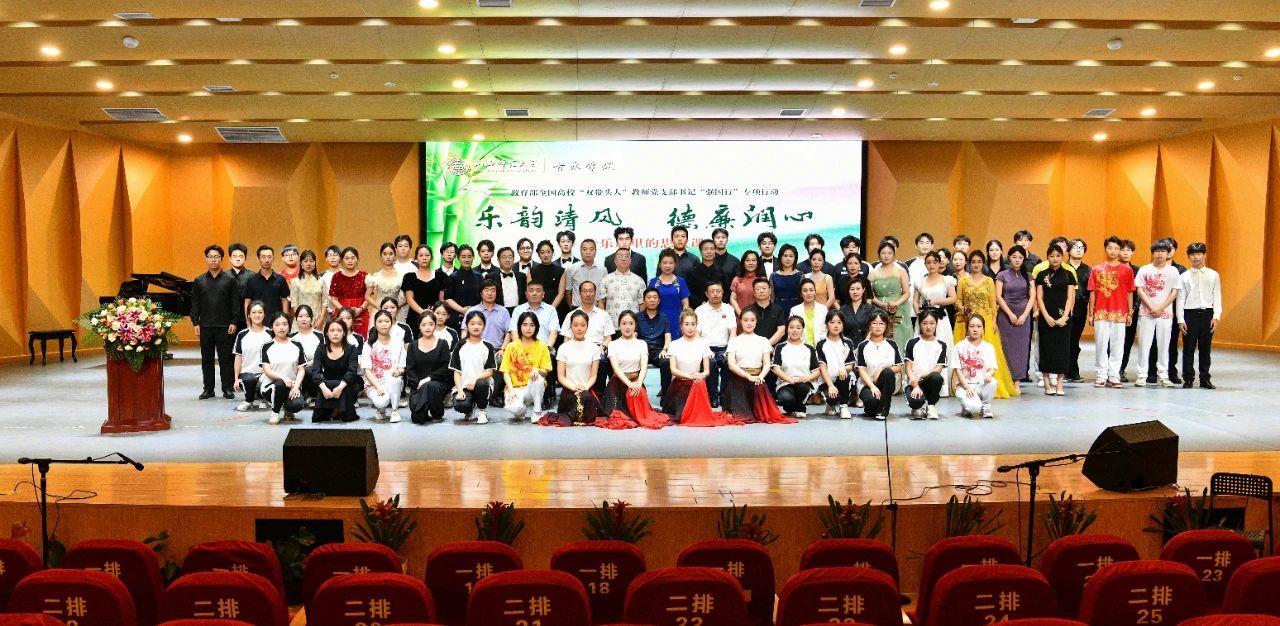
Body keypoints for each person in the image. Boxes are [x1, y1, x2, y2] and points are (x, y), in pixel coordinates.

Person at [955, 250, 1018, 398]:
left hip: (986, 322)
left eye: (979, 262)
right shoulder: (963, 280)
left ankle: (988, 385)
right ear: (969, 264)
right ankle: (967, 384)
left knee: (987, 354)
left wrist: (994, 322)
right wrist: (963, 308)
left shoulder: (989, 281)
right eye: (973, 262)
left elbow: (993, 304)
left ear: (983, 263)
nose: (976, 265)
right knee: (966, 354)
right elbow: (958, 301)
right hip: (968, 321)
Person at [666, 310, 743, 426]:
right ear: (681, 326)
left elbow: (707, 370)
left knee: (698, 416)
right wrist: (690, 377)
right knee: (681, 417)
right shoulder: (674, 344)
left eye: (693, 324)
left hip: (697, 384)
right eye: (686, 324)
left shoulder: (702, 344)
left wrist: (701, 375)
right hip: (680, 385)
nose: (690, 328)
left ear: (696, 325)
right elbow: (673, 370)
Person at [599, 311, 671, 429]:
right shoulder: (613, 344)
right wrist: (629, 384)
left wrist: (638, 383)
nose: (627, 327)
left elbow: (644, 367)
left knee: (641, 415)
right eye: (624, 323)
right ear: (619, 325)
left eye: (631, 323)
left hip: (636, 383)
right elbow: (616, 369)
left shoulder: (641, 344)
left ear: (635, 325)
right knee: (617, 418)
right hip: (618, 385)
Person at [724, 309, 794, 424]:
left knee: (763, 415)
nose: (749, 323)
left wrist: (760, 377)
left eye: (752, 320)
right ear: (740, 321)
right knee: (740, 416)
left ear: (756, 322)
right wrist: (748, 376)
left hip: (757, 379)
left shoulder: (763, 341)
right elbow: (731, 365)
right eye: (746, 320)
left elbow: (767, 364)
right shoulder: (734, 341)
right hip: (738, 380)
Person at [192, 244, 239, 400]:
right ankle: (208, 389)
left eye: (216, 257)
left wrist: (234, 321)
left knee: (225, 359)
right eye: (210, 257)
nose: (213, 259)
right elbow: (195, 304)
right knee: (207, 359)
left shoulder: (230, 280)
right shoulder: (199, 280)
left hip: (225, 326)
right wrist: (195, 322)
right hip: (205, 325)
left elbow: (235, 303)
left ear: (221, 259)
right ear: (206, 259)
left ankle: (227, 388)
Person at [1088, 236, 1136, 388]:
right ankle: (1101, 375)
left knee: (1118, 345)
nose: (1113, 251)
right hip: (1101, 312)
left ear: (1120, 250)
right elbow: (1092, 292)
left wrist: (1129, 313)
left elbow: (1130, 292)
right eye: (1110, 248)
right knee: (1101, 344)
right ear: (1105, 249)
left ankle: (1114, 375)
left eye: (1116, 248)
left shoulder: (1127, 270)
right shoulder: (1096, 269)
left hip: (1120, 313)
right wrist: (1091, 313)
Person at [542, 310, 603, 427]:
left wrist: (585, 387)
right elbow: (561, 376)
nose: (579, 328)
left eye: (582, 325)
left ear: (587, 326)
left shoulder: (594, 348)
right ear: (570, 326)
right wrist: (573, 387)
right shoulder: (563, 348)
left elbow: (593, 375)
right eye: (575, 325)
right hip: (569, 390)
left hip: (587, 389)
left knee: (586, 398)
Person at [1134, 239, 1181, 388]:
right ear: (1152, 253)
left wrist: (1161, 308)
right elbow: (1140, 290)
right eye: (1157, 251)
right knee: (1144, 344)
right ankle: (1142, 375)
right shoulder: (1144, 269)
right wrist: (1151, 307)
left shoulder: (1173, 271)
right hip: (1146, 313)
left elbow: (1174, 292)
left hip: (1165, 313)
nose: (1160, 254)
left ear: (1168, 254)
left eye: (1163, 251)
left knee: (1164, 344)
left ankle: (1164, 375)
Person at [1035, 244, 1077, 396]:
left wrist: (1065, 316)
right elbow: (1039, 297)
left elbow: (1070, 297)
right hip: (1046, 317)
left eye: (1058, 256)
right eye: (1052, 256)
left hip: (1063, 318)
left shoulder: (1068, 274)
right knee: (1046, 349)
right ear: (1047, 257)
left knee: (1062, 350)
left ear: (1062, 257)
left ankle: (1060, 384)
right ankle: (1047, 384)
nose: (1055, 259)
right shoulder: (1041, 274)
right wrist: (1046, 316)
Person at [1178, 242, 1221, 389]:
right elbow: (1181, 298)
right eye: (1192, 254)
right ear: (1188, 256)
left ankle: (1205, 378)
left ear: (1204, 255)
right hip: (1189, 314)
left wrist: (1216, 316)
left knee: (1205, 348)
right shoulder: (1184, 276)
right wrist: (1180, 319)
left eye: (1199, 254)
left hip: (1207, 313)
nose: (1195, 257)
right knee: (1188, 348)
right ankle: (1188, 378)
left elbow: (1217, 296)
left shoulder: (1213, 275)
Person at [500, 312, 552, 421]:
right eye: (525, 325)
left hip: (532, 387)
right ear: (519, 326)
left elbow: (545, 372)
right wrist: (511, 390)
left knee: (538, 378)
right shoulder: (511, 346)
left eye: (532, 325)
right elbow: (505, 372)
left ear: (536, 327)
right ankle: (521, 410)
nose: (528, 328)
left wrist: (537, 370)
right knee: (513, 407)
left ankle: (537, 412)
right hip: (515, 388)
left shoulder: (542, 346)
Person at [996, 245, 1036, 383]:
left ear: (1024, 259)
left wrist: (1024, 315)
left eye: (1020, 257)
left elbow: (1032, 296)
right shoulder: (1002, 275)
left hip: (1024, 315)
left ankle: (1017, 380)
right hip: (1005, 315)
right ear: (1009, 258)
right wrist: (1010, 314)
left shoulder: (1028, 275)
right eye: (1014, 257)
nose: (1017, 260)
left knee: (1022, 348)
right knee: (1006, 347)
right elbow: (998, 296)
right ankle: (1006, 380)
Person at [259, 312, 307, 425]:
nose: (281, 327)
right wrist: (284, 378)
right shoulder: (266, 346)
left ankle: (287, 409)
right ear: (272, 327)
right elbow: (267, 370)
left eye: (285, 324)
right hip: (270, 386)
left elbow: (301, 369)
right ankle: (274, 413)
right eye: (277, 324)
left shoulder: (297, 344)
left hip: (291, 386)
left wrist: (296, 386)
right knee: (280, 384)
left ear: (289, 326)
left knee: (297, 404)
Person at [405, 312, 453, 424]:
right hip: (418, 385)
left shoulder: (443, 344)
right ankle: (422, 409)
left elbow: (445, 368)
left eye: (431, 324)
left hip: (437, 383)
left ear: (435, 325)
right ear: (419, 326)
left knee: (430, 385)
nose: (428, 327)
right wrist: (417, 383)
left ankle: (437, 413)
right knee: (417, 418)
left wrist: (428, 379)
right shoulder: (413, 345)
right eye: (424, 324)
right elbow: (410, 369)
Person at [451, 311, 497, 424]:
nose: (476, 327)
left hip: (482, 385)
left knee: (481, 384)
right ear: (467, 325)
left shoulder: (488, 346)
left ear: (484, 326)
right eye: (472, 323)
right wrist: (460, 390)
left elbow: (490, 372)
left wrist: (475, 379)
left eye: (479, 324)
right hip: (464, 386)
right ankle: (469, 409)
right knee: (461, 405)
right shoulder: (460, 345)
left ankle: (482, 410)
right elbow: (456, 372)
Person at [310, 318, 361, 423]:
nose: (335, 334)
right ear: (327, 333)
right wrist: (324, 388)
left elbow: (352, 372)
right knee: (320, 382)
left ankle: (338, 410)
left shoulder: (352, 349)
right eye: (332, 330)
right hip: (327, 384)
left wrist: (340, 387)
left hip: (347, 384)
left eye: (339, 330)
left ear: (344, 333)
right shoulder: (321, 349)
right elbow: (315, 371)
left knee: (354, 384)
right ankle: (332, 410)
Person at [772, 316, 823, 419]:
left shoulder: (809, 348)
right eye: (791, 327)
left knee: (802, 387)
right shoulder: (780, 347)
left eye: (798, 328)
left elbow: (817, 371)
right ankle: (792, 407)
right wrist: (790, 380)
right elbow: (776, 369)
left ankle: (801, 407)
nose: (795, 330)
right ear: (787, 329)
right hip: (786, 383)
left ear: (802, 329)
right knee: (785, 398)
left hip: (805, 383)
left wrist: (808, 377)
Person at [695, 282, 736, 409]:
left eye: (718, 291)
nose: (715, 294)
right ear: (707, 294)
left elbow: (733, 332)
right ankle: (713, 396)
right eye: (712, 291)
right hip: (706, 348)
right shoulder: (700, 310)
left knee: (728, 363)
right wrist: (705, 351)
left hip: (724, 348)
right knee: (711, 363)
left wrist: (730, 350)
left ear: (723, 293)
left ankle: (724, 396)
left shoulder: (728, 309)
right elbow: (697, 334)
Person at [362, 310, 407, 422]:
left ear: (391, 323)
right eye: (380, 321)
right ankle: (381, 410)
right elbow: (367, 370)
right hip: (374, 383)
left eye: (386, 321)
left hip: (393, 382)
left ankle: (395, 410)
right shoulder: (369, 344)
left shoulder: (398, 342)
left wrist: (398, 371)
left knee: (395, 380)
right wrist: (378, 387)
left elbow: (402, 367)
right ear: (375, 324)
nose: (383, 324)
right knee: (381, 402)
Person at [856, 310, 901, 419]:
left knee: (888, 372)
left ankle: (883, 410)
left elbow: (898, 367)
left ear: (886, 326)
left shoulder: (892, 344)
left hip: (886, 383)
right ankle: (871, 408)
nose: (878, 326)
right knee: (871, 401)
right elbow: (861, 370)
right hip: (867, 384)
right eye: (874, 323)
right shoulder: (863, 346)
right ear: (869, 325)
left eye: (881, 323)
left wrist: (881, 370)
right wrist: (872, 387)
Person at [868, 241, 912, 352]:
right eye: (883, 253)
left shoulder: (901, 271)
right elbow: (869, 294)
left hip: (899, 308)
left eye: (889, 253)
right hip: (879, 308)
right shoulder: (873, 272)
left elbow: (907, 293)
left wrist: (896, 303)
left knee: (898, 338)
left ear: (894, 255)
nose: (886, 256)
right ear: (879, 255)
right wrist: (881, 304)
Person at [952, 315, 999, 418]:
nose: (975, 329)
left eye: (979, 326)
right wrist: (966, 387)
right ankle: (968, 406)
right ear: (967, 328)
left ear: (983, 328)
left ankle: (986, 407)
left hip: (981, 385)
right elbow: (957, 370)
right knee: (975, 409)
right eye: (972, 326)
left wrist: (989, 374)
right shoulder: (959, 346)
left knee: (993, 382)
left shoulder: (989, 347)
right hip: (965, 386)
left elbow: (992, 368)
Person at [904, 310, 947, 419]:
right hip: (913, 381)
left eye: (932, 323)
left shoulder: (941, 345)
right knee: (916, 402)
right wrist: (915, 385)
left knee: (937, 377)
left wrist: (921, 376)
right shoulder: (912, 342)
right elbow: (908, 368)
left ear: (936, 324)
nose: (928, 327)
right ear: (920, 324)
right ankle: (916, 407)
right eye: (925, 323)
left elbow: (938, 369)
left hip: (929, 381)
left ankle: (931, 406)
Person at [912, 251, 957, 350]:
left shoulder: (947, 280)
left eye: (934, 262)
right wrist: (919, 313)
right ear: (925, 264)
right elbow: (915, 300)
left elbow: (953, 298)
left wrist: (936, 302)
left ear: (939, 263)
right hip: (924, 316)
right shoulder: (920, 281)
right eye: (928, 262)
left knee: (942, 342)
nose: (931, 265)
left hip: (940, 316)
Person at [232, 301, 272, 412]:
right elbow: (238, 358)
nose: (257, 315)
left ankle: (264, 399)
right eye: (254, 312)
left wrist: (267, 373)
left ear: (264, 314)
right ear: (249, 315)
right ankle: (248, 400)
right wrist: (236, 379)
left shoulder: (271, 333)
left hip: (266, 373)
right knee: (249, 379)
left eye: (260, 312)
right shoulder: (242, 334)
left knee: (262, 382)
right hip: (247, 373)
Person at [817, 311, 856, 419]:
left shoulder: (848, 342)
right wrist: (830, 385)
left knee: (844, 376)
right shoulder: (821, 344)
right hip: (827, 381)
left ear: (843, 325)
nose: (836, 325)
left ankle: (843, 406)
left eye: (839, 322)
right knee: (832, 398)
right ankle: (830, 404)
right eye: (832, 322)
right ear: (827, 324)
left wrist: (844, 369)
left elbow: (851, 364)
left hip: (843, 379)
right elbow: (822, 367)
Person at [637, 288, 672, 397]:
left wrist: (665, 349)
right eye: (649, 297)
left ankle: (665, 394)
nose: (652, 300)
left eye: (655, 297)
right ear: (644, 300)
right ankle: (637, 390)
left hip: (658, 350)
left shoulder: (664, 317)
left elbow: (668, 336)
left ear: (659, 300)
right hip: (642, 350)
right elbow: (634, 336)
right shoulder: (637, 317)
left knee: (666, 361)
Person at [402, 244, 442, 339]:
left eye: (427, 255)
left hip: (435, 316)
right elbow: (409, 299)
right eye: (421, 255)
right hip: (415, 317)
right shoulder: (409, 277)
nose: (424, 258)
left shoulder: (440, 276)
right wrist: (423, 312)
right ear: (416, 258)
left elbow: (441, 299)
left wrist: (433, 312)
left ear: (431, 257)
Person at [649, 249, 691, 338]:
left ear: (675, 264)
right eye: (665, 263)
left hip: (677, 321)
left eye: (671, 263)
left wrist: (684, 321)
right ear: (659, 264)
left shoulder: (681, 281)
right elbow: (648, 303)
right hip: (658, 321)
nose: (668, 266)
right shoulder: (653, 282)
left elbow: (685, 303)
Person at [1066, 239, 1092, 382]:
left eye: (1081, 247)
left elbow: (1091, 292)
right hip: (1063, 310)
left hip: (1080, 310)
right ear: (1068, 250)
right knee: (1063, 341)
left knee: (1075, 342)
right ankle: (1062, 370)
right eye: (1075, 247)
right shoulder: (1063, 268)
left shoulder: (1088, 270)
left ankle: (1073, 371)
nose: (1078, 249)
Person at [600, 247, 646, 328]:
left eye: (626, 256)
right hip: (611, 325)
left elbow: (642, 304)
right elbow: (601, 302)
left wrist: (640, 324)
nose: (623, 258)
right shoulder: (606, 279)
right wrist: (604, 321)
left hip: (632, 326)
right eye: (620, 256)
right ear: (615, 261)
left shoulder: (639, 280)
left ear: (630, 261)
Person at [242, 245, 291, 321]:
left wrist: (284, 319)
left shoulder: (280, 279)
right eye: (263, 257)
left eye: (269, 257)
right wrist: (248, 322)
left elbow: (285, 300)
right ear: (258, 259)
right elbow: (247, 302)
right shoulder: (251, 280)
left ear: (273, 259)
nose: (267, 260)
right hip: (257, 321)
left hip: (276, 321)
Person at [288, 305, 324, 405]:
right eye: (300, 316)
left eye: (307, 316)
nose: (304, 319)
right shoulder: (291, 337)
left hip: (315, 368)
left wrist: (308, 364)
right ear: (296, 319)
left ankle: (313, 396)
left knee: (309, 371)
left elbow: (322, 354)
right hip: (296, 369)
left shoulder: (320, 335)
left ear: (311, 318)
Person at [329, 247, 369, 336]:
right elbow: (333, 299)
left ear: (357, 259)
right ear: (342, 260)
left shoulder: (364, 275)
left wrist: (361, 309)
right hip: (341, 313)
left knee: (361, 338)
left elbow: (368, 297)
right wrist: (344, 311)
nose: (350, 261)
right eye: (346, 258)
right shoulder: (336, 276)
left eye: (353, 258)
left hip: (361, 313)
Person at [367, 242, 406, 324]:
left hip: (397, 313)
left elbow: (407, 298)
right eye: (385, 254)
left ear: (395, 255)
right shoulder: (375, 276)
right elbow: (367, 296)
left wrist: (396, 307)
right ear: (381, 256)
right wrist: (379, 307)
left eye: (391, 254)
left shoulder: (401, 276)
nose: (388, 257)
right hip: (379, 311)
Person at [1118, 239, 1141, 381]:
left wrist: (1133, 309)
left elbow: (1139, 292)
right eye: (1123, 250)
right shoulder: (1113, 268)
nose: (1125, 253)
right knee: (1113, 341)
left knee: (1127, 341)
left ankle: (1121, 369)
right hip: (1115, 311)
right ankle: (1110, 368)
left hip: (1132, 313)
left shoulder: (1138, 271)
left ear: (1132, 253)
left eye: (1129, 250)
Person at [444, 244, 481, 329]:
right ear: (458, 258)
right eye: (463, 257)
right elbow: (448, 299)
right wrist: (462, 310)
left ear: (473, 257)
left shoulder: (479, 276)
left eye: (469, 256)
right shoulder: (453, 277)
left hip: (476, 317)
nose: (467, 259)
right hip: (457, 317)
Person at [563, 238, 606, 310]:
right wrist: (573, 309)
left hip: (596, 308)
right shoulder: (571, 269)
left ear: (595, 251)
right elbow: (567, 292)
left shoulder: (603, 270)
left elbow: (602, 294)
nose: (588, 252)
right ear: (580, 251)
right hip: (577, 308)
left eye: (591, 249)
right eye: (585, 249)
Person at [743, 277, 787, 347]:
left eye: (764, 288)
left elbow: (781, 331)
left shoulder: (778, 309)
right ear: (754, 293)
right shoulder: (748, 310)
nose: (761, 291)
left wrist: (766, 345)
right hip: (753, 347)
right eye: (758, 289)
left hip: (773, 348)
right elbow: (746, 330)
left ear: (770, 291)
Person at [288, 250, 325, 332]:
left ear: (315, 263)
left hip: (318, 320)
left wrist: (321, 319)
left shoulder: (321, 281)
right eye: (305, 261)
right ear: (301, 264)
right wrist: (300, 318)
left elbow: (324, 301)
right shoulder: (295, 281)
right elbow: (294, 303)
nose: (309, 264)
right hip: (300, 320)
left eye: (311, 261)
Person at [531, 239, 567, 320]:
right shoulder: (532, 271)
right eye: (542, 252)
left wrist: (550, 310)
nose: (545, 255)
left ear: (552, 253)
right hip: (537, 309)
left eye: (548, 252)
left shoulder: (561, 271)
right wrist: (538, 308)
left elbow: (561, 293)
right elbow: (531, 292)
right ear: (538, 254)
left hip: (557, 309)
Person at [838, 276, 878, 346]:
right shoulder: (842, 310)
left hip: (867, 344)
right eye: (852, 289)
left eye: (858, 289)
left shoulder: (871, 309)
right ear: (848, 291)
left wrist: (865, 343)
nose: (855, 292)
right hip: (846, 345)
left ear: (863, 290)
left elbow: (873, 329)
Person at [790, 278, 829, 348]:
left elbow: (826, 330)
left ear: (815, 292)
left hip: (821, 348)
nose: (809, 293)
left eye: (811, 290)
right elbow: (791, 332)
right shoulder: (794, 310)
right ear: (801, 294)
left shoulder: (823, 309)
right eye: (805, 291)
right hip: (800, 348)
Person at [687, 239, 724, 310]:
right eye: (705, 249)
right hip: (698, 309)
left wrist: (717, 303)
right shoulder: (693, 271)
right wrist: (701, 304)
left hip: (718, 308)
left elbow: (726, 291)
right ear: (700, 251)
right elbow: (690, 292)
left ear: (715, 251)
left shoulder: (721, 271)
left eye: (712, 249)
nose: (709, 252)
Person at [770, 243, 804, 313]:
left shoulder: (800, 275)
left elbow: (803, 295)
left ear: (795, 258)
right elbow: (771, 297)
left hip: (797, 308)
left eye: (791, 256)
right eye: (785, 256)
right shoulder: (773, 275)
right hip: (778, 309)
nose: (788, 259)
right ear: (780, 257)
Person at [730, 250, 764, 315]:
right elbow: (733, 299)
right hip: (740, 316)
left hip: (758, 316)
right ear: (743, 263)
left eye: (753, 260)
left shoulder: (762, 280)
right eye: (747, 260)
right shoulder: (736, 279)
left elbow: (766, 299)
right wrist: (741, 314)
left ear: (757, 263)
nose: (751, 263)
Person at [495, 246, 526, 313]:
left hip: (518, 311)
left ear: (513, 259)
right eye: (504, 257)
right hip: (499, 311)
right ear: (498, 260)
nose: (507, 260)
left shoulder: (522, 276)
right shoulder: (491, 277)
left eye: (510, 257)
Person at [319, 244, 342, 322]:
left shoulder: (346, 274)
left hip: (343, 311)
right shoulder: (321, 276)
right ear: (326, 258)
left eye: (335, 255)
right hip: (326, 312)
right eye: (330, 255)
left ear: (340, 257)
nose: (332, 258)